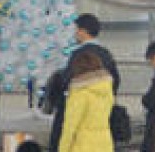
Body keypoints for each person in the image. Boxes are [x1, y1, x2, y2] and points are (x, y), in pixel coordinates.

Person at [49, 14, 121, 152]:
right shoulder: (107, 54)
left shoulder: (79, 56)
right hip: (104, 142)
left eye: (76, 29)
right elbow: (116, 81)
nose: (75, 33)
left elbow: (65, 83)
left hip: (81, 142)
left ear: (83, 31)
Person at [58, 50, 115, 152]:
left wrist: (63, 149)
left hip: (82, 145)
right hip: (105, 144)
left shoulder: (79, 93)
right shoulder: (107, 90)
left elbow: (70, 126)